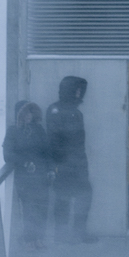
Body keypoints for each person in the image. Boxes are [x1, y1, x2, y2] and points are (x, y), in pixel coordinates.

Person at [47, 76, 97, 243]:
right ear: (68, 90)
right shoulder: (55, 110)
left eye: (80, 91)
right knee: (63, 198)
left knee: (84, 196)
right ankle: (61, 235)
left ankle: (78, 233)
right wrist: (60, 163)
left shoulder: (76, 112)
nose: (79, 93)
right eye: (76, 90)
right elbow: (54, 140)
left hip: (79, 162)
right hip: (64, 164)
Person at [3, 101, 53, 250]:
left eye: (30, 113)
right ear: (19, 115)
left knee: (42, 208)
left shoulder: (39, 129)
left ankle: (39, 238)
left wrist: (50, 170)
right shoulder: (13, 131)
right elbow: (8, 154)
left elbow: (47, 152)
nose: (28, 116)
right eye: (25, 113)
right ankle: (28, 239)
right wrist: (25, 162)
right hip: (24, 177)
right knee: (29, 209)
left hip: (42, 176)